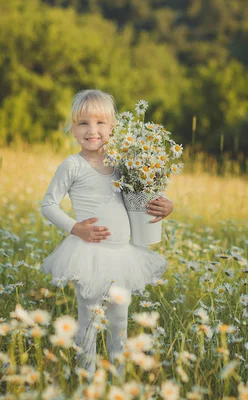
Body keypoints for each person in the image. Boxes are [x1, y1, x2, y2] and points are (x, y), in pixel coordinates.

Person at [40, 89, 174, 378]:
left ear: (113, 128)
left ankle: (119, 380)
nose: (93, 131)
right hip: (88, 254)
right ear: (72, 129)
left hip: (122, 255)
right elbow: (48, 204)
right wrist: (76, 228)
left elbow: (142, 198)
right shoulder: (72, 165)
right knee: (88, 320)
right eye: (83, 124)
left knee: (119, 323)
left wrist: (166, 206)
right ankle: (84, 379)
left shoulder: (123, 163)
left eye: (100, 123)